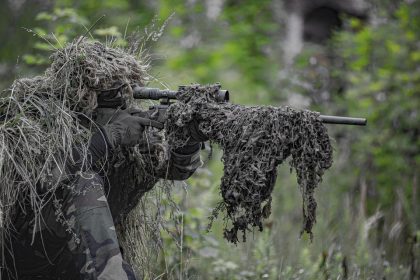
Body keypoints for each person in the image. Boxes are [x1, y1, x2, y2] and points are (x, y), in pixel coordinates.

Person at [2, 87, 206, 280]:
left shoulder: (128, 137)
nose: (121, 113)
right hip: (23, 256)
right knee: (85, 183)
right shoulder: (42, 122)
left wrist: (188, 139)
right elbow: (41, 182)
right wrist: (106, 137)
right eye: (111, 108)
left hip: (77, 259)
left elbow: (175, 170)